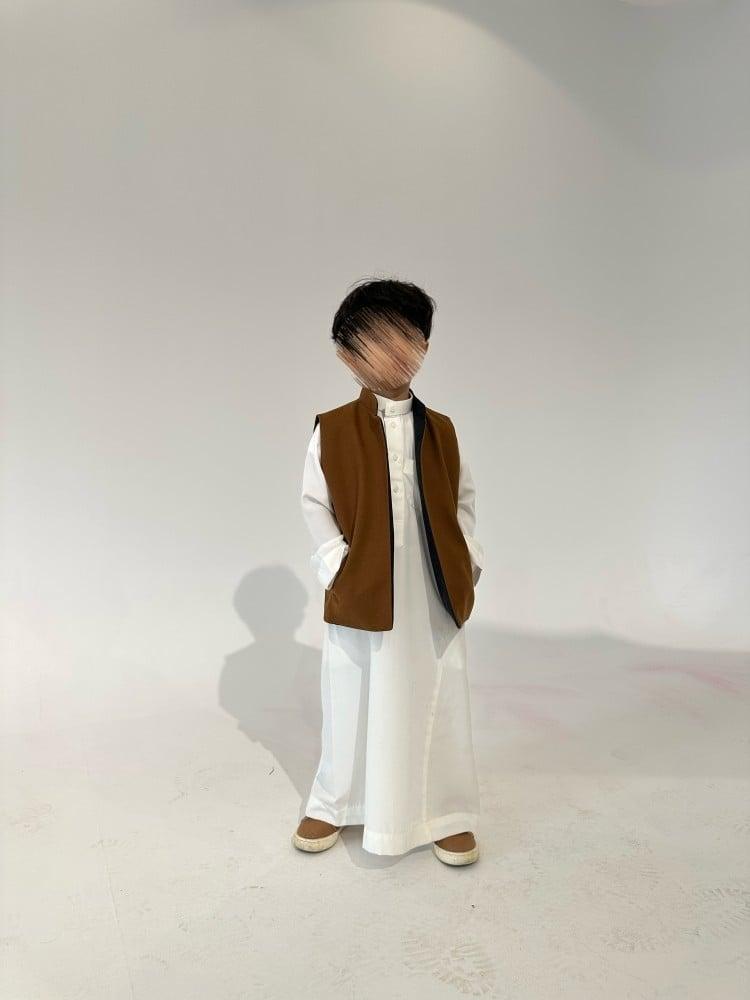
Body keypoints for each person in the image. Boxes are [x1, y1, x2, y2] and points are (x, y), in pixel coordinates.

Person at [293, 278, 483, 865]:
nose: (389, 352)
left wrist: (465, 561)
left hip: (430, 588)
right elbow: (314, 504)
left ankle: (444, 810)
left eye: (402, 337)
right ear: (346, 353)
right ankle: (337, 801)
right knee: (351, 691)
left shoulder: (442, 430)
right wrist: (339, 566)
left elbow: (463, 502)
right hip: (362, 588)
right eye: (371, 340)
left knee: (437, 695)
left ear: (423, 345)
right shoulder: (332, 429)